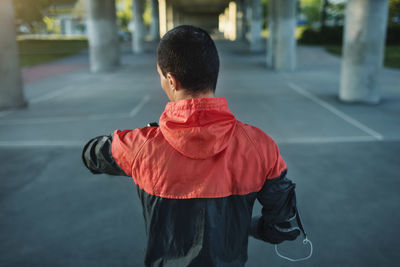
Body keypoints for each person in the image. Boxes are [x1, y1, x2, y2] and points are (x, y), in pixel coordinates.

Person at [82, 25, 300, 267]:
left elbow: (91, 154)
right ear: (213, 73)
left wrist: (139, 136)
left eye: (160, 75)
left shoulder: (140, 145)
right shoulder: (261, 146)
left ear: (171, 81)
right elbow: (282, 227)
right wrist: (242, 225)